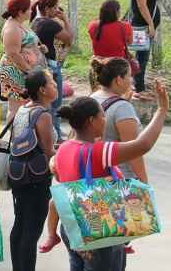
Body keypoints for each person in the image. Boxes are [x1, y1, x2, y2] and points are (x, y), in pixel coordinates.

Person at [53, 87, 168, 271]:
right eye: (103, 116)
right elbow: (143, 145)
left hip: (72, 228)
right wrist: (162, 110)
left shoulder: (64, 148)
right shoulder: (98, 152)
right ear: (91, 121)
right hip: (97, 231)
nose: (105, 120)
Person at [9, 70, 56, 271]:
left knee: (20, 224)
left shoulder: (23, 109)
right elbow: (47, 152)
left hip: (19, 174)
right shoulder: (42, 115)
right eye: (52, 83)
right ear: (43, 90)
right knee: (32, 230)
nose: (55, 85)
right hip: (37, 178)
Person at [31, 0, 73, 142]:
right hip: (51, 66)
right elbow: (69, 37)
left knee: (45, 103)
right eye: (54, 7)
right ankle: (55, 138)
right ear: (47, 9)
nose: (57, 10)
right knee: (55, 103)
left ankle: (49, 135)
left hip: (40, 64)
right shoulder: (50, 23)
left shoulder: (35, 21)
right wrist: (64, 19)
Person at [0, 0, 45, 121]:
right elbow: (13, 53)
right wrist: (29, 71)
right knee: (16, 107)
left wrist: (38, 49)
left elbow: (24, 44)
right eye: (29, 9)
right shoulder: (11, 28)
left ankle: (23, 133)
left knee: (25, 105)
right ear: (20, 12)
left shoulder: (19, 24)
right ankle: (15, 136)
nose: (31, 11)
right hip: (15, 71)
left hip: (24, 70)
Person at [128, 0, 160, 95]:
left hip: (146, 26)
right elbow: (142, 7)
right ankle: (138, 86)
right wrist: (151, 25)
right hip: (142, 27)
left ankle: (138, 82)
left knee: (143, 56)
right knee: (142, 56)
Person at [88, 0, 133, 91]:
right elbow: (129, 42)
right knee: (117, 96)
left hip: (97, 65)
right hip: (117, 67)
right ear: (117, 12)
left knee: (98, 95)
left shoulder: (93, 25)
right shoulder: (125, 26)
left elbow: (94, 38)